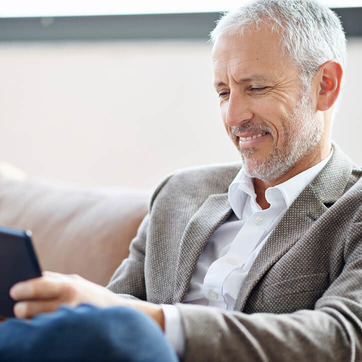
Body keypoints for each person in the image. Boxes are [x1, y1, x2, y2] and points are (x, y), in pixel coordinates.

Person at [1, 0, 361, 361]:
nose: (233, 116)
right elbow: (116, 308)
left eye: (255, 88)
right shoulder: (179, 192)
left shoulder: (353, 210)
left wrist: (154, 321)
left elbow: (342, 339)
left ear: (324, 86)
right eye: (223, 92)